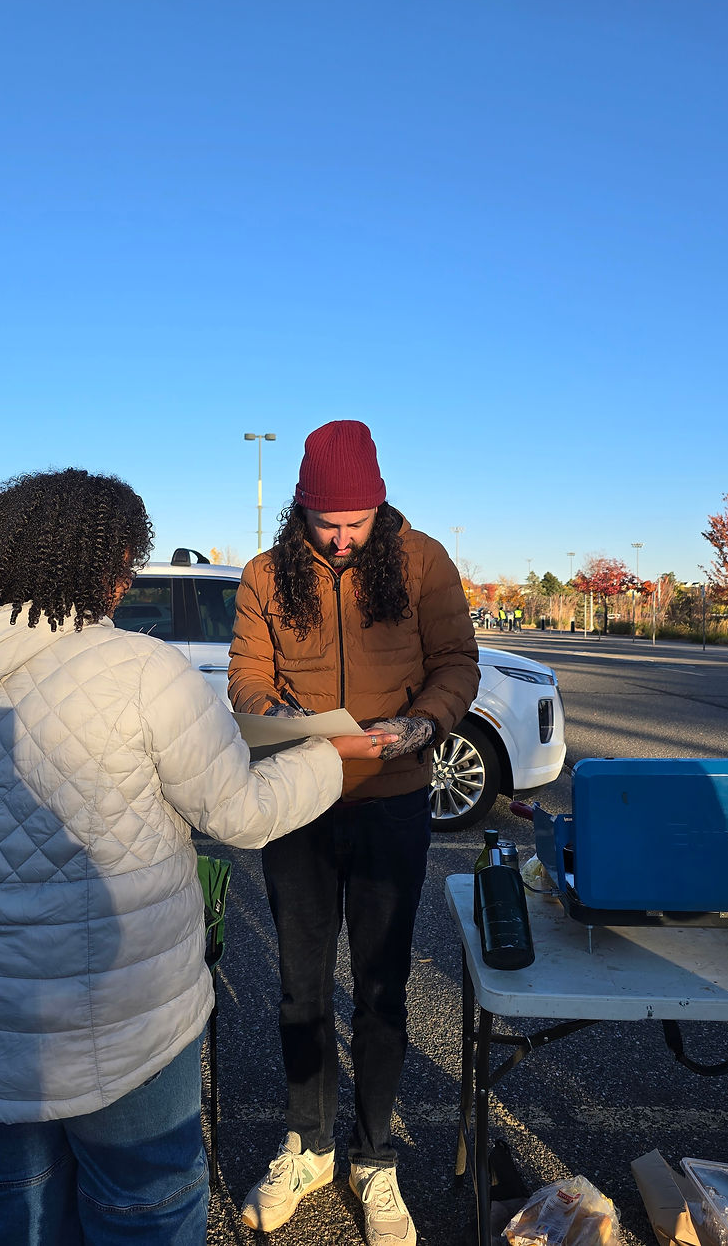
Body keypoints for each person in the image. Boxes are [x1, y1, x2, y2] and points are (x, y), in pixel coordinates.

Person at [0, 467, 395, 1246]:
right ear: (94, 564)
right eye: (124, 563)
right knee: (144, 1205)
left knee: (12, 1200)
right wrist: (331, 755)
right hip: (111, 1005)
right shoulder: (141, 668)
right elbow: (242, 812)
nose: (126, 583)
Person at [229, 421, 480, 1246]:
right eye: (326, 523)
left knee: (381, 989)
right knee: (301, 987)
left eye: (355, 522)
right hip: (297, 800)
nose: (340, 539)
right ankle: (308, 1142)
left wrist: (421, 726)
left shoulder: (422, 561)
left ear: (379, 506)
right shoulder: (267, 574)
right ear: (300, 509)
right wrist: (286, 722)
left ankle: (375, 1158)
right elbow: (248, 680)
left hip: (392, 797)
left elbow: (457, 663)